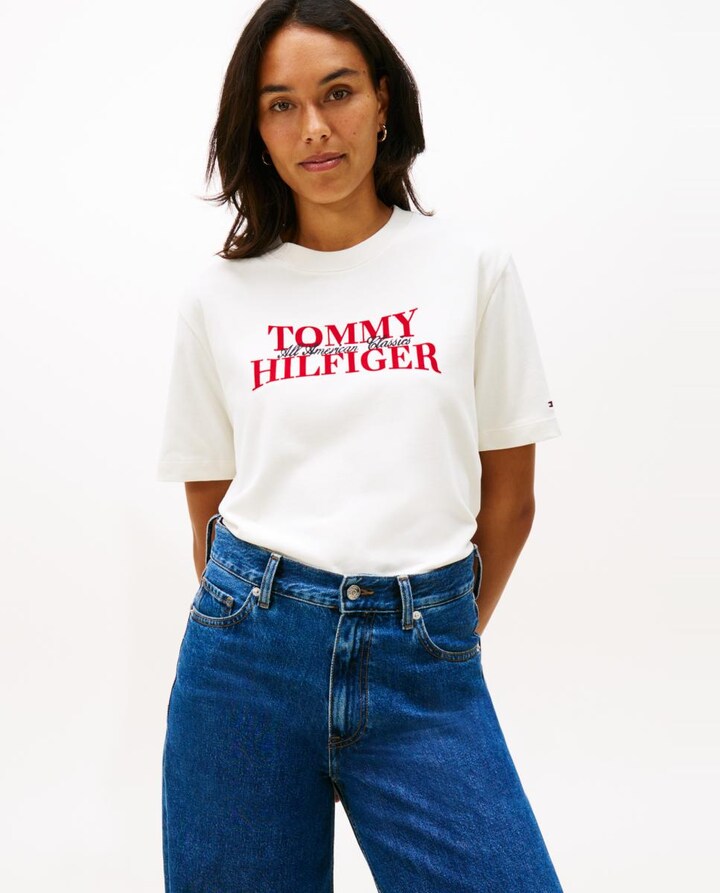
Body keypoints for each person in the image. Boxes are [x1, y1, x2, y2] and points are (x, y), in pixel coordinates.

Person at [156, 1, 565, 890]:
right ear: (257, 129)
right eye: (281, 104)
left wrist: (432, 635)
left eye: (337, 93)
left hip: (424, 663)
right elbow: (209, 510)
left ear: (383, 100)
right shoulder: (218, 297)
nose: (314, 127)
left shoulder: (472, 267)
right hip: (244, 667)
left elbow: (511, 499)